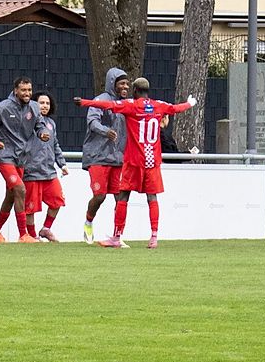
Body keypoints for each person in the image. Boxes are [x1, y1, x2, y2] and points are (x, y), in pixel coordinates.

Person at [73, 77, 197, 249]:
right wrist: (190, 103)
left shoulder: (131, 105)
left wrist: (84, 102)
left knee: (123, 196)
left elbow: (107, 105)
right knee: (152, 197)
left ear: (135, 91)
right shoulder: (158, 105)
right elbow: (176, 108)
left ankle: (117, 237)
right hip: (152, 161)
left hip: (134, 160)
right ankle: (154, 237)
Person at [0, 76, 51, 243]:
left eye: (29, 90)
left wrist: (42, 133)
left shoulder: (34, 107)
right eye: (23, 90)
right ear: (16, 90)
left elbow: (39, 125)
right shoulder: (3, 107)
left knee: (11, 195)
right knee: (20, 189)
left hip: (21, 157)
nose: (27, 93)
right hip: (4, 156)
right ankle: (23, 235)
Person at [82, 67, 128, 246]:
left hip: (118, 158)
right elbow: (92, 122)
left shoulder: (126, 104)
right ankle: (88, 222)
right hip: (97, 156)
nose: (125, 87)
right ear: (112, 83)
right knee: (100, 196)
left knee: (120, 199)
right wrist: (105, 131)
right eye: (121, 83)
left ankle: (117, 236)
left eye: (127, 83)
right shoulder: (100, 101)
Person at [23, 90, 68, 241]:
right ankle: (32, 236)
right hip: (31, 171)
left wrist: (62, 164)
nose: (45, 106)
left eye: (47, 103)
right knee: (30, 208)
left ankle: (46, 229)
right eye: (41, 103)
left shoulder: (51, 123)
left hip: (49, 171)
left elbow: (55, 145)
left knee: (57, 200)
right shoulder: (28, 120)